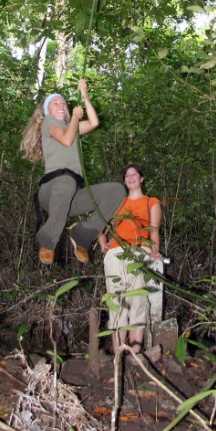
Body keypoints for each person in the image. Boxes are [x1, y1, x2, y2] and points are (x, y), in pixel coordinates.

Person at [20, 78, 125, 265]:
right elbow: (66, 140)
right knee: (66, 181)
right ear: (47, 111)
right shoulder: (49, 123)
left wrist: (84, 95)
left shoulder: (71, 126)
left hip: (71, 195)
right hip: (51, 191)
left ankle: (83, 234)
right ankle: (47, 241)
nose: (61, 105)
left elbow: (93, 122)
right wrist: (75, 117)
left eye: (63, 103)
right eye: (55, 102)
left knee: (117, 190)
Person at [98, 164, 161, 355]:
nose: (131, 177)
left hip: (139, 251)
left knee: (138, 300)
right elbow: (99, 223)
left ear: (141, 178)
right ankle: (118, 354)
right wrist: (103, 245)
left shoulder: (151, 202)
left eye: (134, 174)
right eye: (127, 175)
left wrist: (154, 250)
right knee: (116, 300)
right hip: (116, 251)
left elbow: (154, 229)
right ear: (124, 180)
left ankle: (135, 352)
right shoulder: (118, 202)